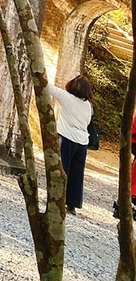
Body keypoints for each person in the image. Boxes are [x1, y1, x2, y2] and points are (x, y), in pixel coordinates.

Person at [48, 74, 94, 216]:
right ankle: (72, 204)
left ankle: (57, 198)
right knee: (76, 174)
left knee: (62, 170)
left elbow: (48, 87)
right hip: (82, 142)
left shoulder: (66, 98)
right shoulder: (89, 106)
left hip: (67, 137)